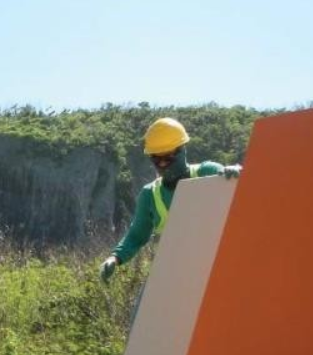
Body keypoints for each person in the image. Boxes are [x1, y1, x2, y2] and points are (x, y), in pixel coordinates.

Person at [100, 117, 241, 282]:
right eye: (156, 159)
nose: (162, 164)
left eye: (167, 158)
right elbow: (137, 235)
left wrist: (238, 173)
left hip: (218, 268)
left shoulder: (208, 172)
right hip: (176, 277)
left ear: (182, 151)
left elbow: (243, 196)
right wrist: (114, 258)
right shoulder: (150, 195)